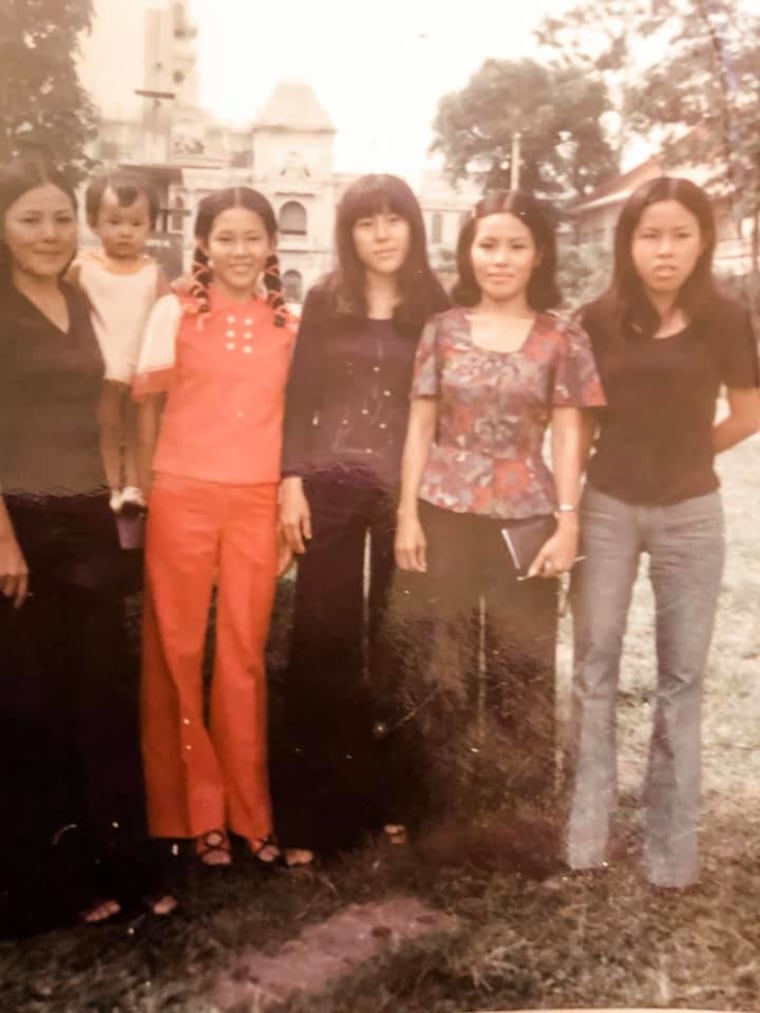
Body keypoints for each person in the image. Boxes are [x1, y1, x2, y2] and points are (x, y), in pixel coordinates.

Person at [565, 176, 760, 890]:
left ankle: (671, 850)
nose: (665, 249)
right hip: (607, 505)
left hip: (691, 512)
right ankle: (586, 835)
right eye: (650, 235)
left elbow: (749, 410)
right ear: (629, 242)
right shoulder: (596, 318)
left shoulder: (726, 318)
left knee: (682, 677)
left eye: (680, 234)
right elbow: (579, 420)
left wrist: (690, 451)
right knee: (595, 665)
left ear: (703, 239)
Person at [394, 189, 605, 834]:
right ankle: (440, 809)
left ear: (538, 253)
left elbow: (570, 434)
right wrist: (407, 513)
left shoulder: (562, 337)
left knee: (522, 662)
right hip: (446, 509)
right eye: (488, 244)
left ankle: (517, 812)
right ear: (468, 252)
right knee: (442, 658)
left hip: (526, 519)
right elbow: (420, 424)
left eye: (516, 244)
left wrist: (568, 521)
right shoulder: (443, 329)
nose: (501, 258)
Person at [0, 159, 173, 930]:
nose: (48, 234)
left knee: (99, 695)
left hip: (87, 515)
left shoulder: (75, 296)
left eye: (60, 219)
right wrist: (2, 538)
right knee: (31, 706)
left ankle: (119, 865)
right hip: (18, 525)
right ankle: (45, 883)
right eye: (29, 219)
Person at [135, 186, 309, 869]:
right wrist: (149, 487)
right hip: (181, 493)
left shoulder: (290, 324)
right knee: (175, 651)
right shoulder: (173, 312)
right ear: (202, 243)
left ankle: (249, 813)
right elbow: (145, 408)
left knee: (242, 653)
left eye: (253, 238)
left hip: (257, 501)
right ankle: (190, 813)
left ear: (272, 244)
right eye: (226, 238)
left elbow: (297, 420)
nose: (240, 251)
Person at [277, 173, 448, 854]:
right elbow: (299, 396)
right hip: (333, 482)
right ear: (348, 233)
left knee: (399, 637)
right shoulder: (324, 300)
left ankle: (390, 799)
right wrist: (291, 478)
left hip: (409, 488)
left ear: (413, 227)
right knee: (323, 637)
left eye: (394, 219)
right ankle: (315, 814)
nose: (381, 233)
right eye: (366, 222)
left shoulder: (437, 303)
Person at [68, 171, 168, 513]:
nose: (125, 231)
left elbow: (167, 312)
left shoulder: (152, 271)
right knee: (107, 430)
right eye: (114, 222)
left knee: (139, 431)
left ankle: (135, 488)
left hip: (141, 367)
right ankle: (110, 487)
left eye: (136, 223)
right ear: (94, 224)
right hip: (103, 367)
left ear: (150, 227)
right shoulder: (83, 266)